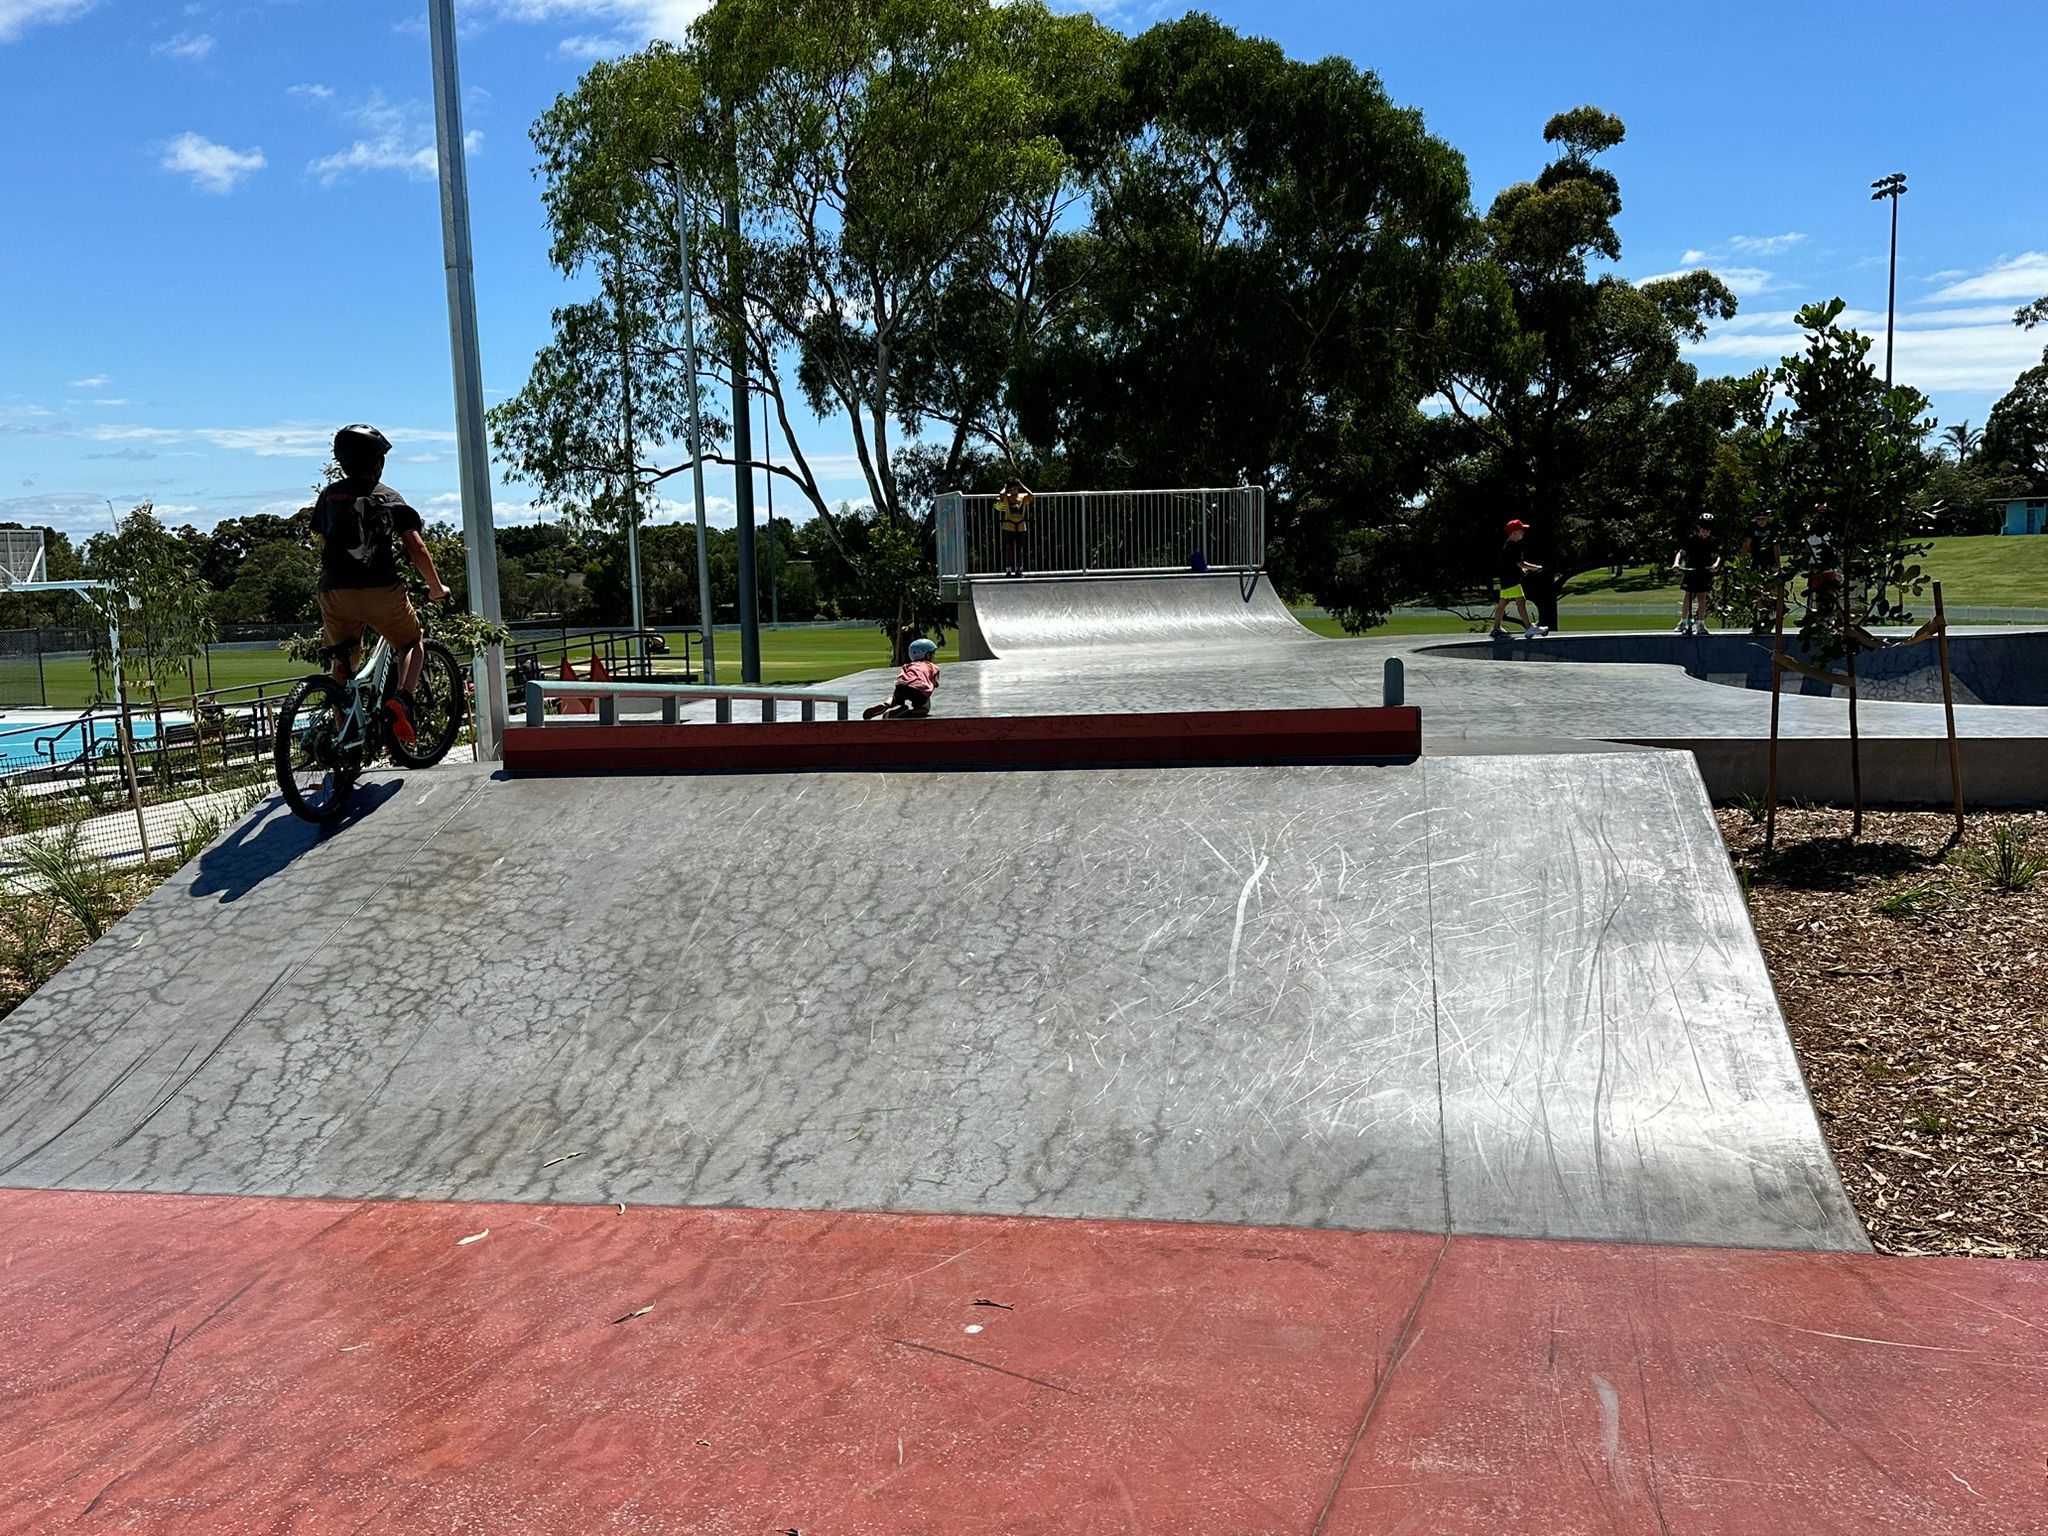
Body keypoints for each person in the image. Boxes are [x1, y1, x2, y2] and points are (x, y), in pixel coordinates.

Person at [311, 423, 449, 745]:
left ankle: (344, 738)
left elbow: (323, 540)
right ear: (378, 462)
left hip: (333, 591)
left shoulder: (329, 496)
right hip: (380, 589)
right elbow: (416, 546)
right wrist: (435, 586)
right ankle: (402, 701)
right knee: (411, 642)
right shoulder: (387, 496)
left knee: (343, 662)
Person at [1489, 519, 1543, 639]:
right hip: (1512, 581)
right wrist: (1536, 567)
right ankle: (1529, 628)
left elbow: (1509, 563)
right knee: (1521, 602)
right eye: (1521, 530)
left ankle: (1496, 627)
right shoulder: (1515, 546)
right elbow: (1521, 563)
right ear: (1514, 533)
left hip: (1505, 580)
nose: (1523, 532)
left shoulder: (1507, 544)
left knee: (1502, 603)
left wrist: (1521, 569)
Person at [864, 636, 940, 719]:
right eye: (933, 653)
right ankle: (904, 714)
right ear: (928, 655)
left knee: (895, 699)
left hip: (901, 686)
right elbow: (934, 684)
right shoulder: (932, 667)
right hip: (918, 689)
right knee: (924, 709)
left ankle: (885, 705)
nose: (934, 656)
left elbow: (903, 676)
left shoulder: (908, 665)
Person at [1672, 513, 1720, 636]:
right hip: (1691, 570)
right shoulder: (1691, 540)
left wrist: (1716, 565)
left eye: (1708, 530)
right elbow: (1681, 553)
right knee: (1688, 596)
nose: (1705, 533)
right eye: (1703, 530)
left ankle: (1701, 623)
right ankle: (1683, 622)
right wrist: (1676, 563)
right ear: (1699, 529)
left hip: (1704, 571)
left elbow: (1719, 555)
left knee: (1702, 598)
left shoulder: (1712, 541)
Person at [1738, 508, 1781, 629]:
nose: (1761, 521)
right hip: (1757, 560)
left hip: (1770, 561)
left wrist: (1778, 564)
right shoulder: (1751, 527)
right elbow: (1747, 544)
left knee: (1768, 588)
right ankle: (1760, 614)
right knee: (1757, 589)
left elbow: (1776, 546)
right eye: (1759, 519)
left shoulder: (1773, 528)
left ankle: (1767, 614)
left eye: (1763, 519)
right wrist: (1740, 559)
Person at [996, 477, 1034, 577]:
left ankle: (1019, 569)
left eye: (1016, 488)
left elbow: (1031, 495)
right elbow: (1001, 495)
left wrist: (1022, 486)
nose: (1014, 490)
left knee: (1020, 548)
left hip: (1021, 526)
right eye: (1012, 488)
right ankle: (1008, 569)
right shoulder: (1007, 498)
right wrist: (1005, 487)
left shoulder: (1023, 497)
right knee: (1009, 548)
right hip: (1009, 526)